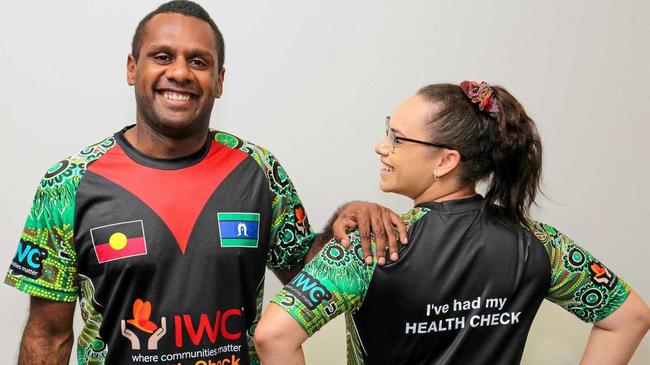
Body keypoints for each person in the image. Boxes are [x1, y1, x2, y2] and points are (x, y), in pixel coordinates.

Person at [3, 1, 408, 364]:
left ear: (219, 80)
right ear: (132, 69)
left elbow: (305, 275)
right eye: (162, 56)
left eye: (199, 62)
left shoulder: (259, 171)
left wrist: (348, 217)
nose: (179, 72)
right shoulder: (69, 183)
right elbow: (48, 335)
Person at [254, 81, 650, 364]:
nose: (382, 146)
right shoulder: (540, 244)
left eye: (398, 138)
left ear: (446, 161)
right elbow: (630, 317)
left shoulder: (373, 245)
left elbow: (273, 336)